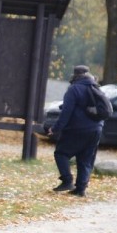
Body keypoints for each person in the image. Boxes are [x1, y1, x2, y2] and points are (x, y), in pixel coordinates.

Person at [46, 65, 104, 197]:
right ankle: (81, 189)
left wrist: (55, 129)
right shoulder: (96, 87)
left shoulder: (74, 89)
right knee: (86, 158)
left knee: (61, 153)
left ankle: (67, 181)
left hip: (77, 129)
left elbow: (66, 113)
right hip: (97, 128)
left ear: (74, 75)